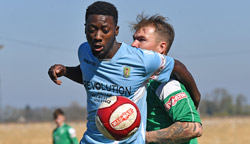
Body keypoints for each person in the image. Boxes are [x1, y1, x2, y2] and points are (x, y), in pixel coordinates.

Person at [48, 1, 200, 144]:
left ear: (116, 31)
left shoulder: (157, 76)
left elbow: (178, 68)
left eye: (141, 40)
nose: (97, 36)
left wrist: (196, 97)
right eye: (92, 30)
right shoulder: (84, 51)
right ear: (85, 29)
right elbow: (91, 76)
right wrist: (66, 71)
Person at [131, 14, 203, 144]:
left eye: (141, 40)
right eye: (134, 39)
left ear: (161, 47)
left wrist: (143, 138)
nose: (133, 44)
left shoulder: (166, 85)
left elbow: (193, 128)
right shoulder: (139, 82)